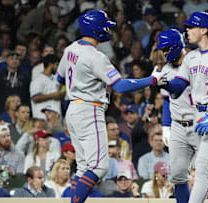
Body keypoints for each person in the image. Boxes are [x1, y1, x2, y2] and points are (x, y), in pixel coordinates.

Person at [55, 10, 164, 203]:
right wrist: (151, 80)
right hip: (89, 109)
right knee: (98, 167)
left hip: (73, 108)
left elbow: (60, 78)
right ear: (96, 29)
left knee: (83, 168)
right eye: (105, 26)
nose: (108, 30)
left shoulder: (70, 48)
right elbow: (120, 85)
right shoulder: (96, 56)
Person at [158, 11, 208, 203]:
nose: (187, 31)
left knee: (202, 167)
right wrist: (165, 84)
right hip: (199, 116)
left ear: (204, 30)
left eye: (191, 27)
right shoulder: (191, 57)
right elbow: (179, 85)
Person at [153, 28, 199, 203]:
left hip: (199, 123)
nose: (164, 53)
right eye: (162, 50)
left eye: (166, 49)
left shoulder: (196, 61)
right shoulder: (166, 68)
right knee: (179, 175)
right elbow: (166, 101)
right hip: (179, 125)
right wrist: (166, 127)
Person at [30, 54, 65, 120]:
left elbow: (59, 94)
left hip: (56, 116)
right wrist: (53, 95)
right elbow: (35, 98)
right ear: (50, 64)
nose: (58, 68)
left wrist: (61, 94)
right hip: (41, 117)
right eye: (57, 65)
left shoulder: (56, 79)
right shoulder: (37, 79)